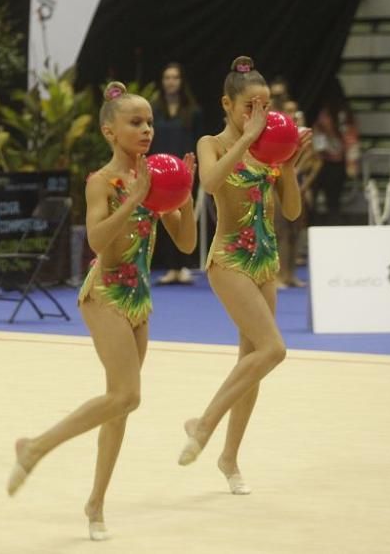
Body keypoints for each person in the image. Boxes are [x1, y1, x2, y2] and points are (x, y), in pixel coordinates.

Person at [6, 82, 196, 540]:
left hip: (139, 298)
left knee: (120, 407)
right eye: (136, 122)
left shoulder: (155, 178)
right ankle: (36, 446)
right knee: (128, 395)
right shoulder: (100, 181)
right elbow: (95, 241)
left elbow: (187, 244)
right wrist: (136, 198)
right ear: (110, 131)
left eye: (150, 122)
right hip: (105, 292)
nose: (147, 129)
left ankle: (95, 504)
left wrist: (183, 196)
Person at [177, 57, 312, 494]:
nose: (261, 114)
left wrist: (288, 164)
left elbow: (291, 211)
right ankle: (203, 424)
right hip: (229, 260)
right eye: (250, 106)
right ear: (228, 104)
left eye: (266, 105)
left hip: (264, 262)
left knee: (251, 364)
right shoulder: (211, 142)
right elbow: (213, 183)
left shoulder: (268, 151)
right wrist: (249, 140)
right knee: (274, 348)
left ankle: (229, 458)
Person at [150, 62, 202, 284]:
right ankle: (171, 266)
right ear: (162, 82)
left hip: (184, 172)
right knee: (164, 217)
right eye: (167, 77)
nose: (171, 82)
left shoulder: (193, 111)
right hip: (159, 173)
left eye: (175, 78)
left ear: (181, 82)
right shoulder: (153, 110)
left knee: (186, 217)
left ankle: (185, 265)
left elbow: (198, 143)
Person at [275, 99, 321, 288]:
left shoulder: (303, 134)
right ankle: (276, 276)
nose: (292, 114)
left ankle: (290, 274)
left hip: (299, 185)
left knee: (294, 231)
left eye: (294, 110)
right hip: (276, 185)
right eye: (288, 110)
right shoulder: (276, 133)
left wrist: (305, 184)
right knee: (279, 231)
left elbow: (317, 162)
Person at [312, 93, 359, 225]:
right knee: (314, 198)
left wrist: (351, 164)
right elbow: (317, 137)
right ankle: (313, 223)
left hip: (336, 164)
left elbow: (351, 141)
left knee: (333, 200)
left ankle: (332, 224)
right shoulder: (323, 115)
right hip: (320, 162)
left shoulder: (344, 117)